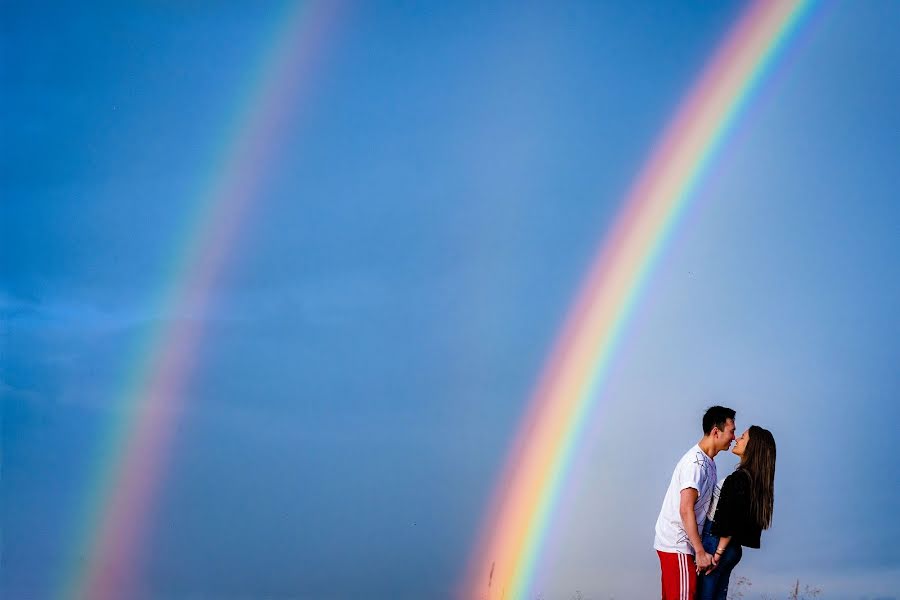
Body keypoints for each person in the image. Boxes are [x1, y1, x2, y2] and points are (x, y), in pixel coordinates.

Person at [654, 406, 736, 600]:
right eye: (731, 431)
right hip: (678, 544)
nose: (734, 437)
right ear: (716, 431)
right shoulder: (695, 465)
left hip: (682, 546)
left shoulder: (708, 462)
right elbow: (685, 509)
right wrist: (699, 552)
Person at [696, 425, 777, 600]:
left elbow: (730, 521)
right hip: (733, 550)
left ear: (751, 446)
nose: (737, 438)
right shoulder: (755, 482)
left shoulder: (740, 479)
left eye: (743, 437)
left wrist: (717, 553)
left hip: (717, 543)